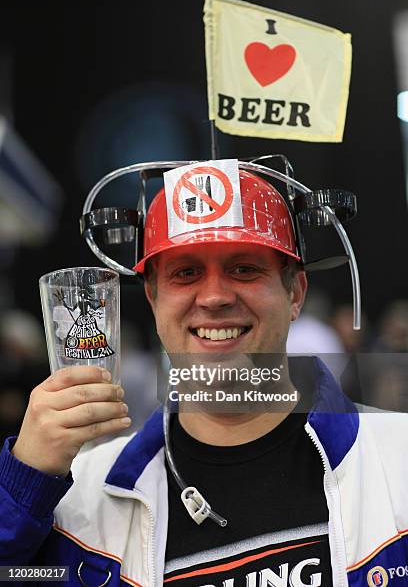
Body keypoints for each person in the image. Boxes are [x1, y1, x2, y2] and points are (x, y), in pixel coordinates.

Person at [0, 161, 407, 587]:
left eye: (245, 268)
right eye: (186, 272)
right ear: (154, 299)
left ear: (295, 293)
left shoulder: (400, 461)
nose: (214, 297)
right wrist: (22, 485)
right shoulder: (81, 495)